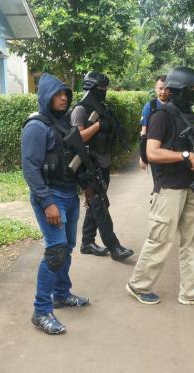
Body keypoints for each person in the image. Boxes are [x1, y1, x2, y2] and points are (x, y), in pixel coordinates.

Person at [126, 66, 194, 307]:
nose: (192, 95)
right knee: (160, 239)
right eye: (188, 90)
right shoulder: (161, 117)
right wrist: (186, 155)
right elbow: (152, 153)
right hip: (169, 188)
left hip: (192, 186)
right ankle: (139, 285)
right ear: (176, 90)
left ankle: (192, 292)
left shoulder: (190, 118)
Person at [22, 73, 88, 335]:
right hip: (50, 197)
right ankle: (41, 311)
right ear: (46, 97)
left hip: (70, 195)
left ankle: (61, 294)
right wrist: (47, 202)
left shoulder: (62, 124)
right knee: (56, 250)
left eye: (66, 94)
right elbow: (30, 169)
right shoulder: (36, 127)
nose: (63, 98)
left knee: (67, 247)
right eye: (58, 94)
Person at [70, 71, 134, 261]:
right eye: (100, 88)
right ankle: (113, 246)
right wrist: (98, 126)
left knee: (97, 203)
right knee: (99, 204)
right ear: (90, 87)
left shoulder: (101, 108)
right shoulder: (80, 110)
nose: (104, 91)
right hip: (88, 165)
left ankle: (87, 242)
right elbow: (77, 138)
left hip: (102, 163)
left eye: (106, 88)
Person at [139, 75, 169, 170]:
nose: (163, 92)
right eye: (160, 88)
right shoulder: (150, 106)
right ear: (155, 89)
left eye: (166, 88)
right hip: (155, 150)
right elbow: (144, 132)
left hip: (172, 150)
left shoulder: (175, 105)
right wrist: (143, 156)